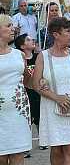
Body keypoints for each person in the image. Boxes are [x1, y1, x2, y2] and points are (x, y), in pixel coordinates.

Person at [32, 17, 70, 164]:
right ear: (56, 34)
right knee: (56, 150)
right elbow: (35, 84)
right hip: (52, 107)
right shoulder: (43, 56)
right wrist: (57, 98)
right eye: (68, 31)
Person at [0, 15, 35, 164]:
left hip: (19, 112)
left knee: (18, 154)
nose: (13, 29)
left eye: (12, 25)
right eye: (8, 25)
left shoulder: (19, 55)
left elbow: (28, 81)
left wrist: (41, 78)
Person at [14, 33, 48, 155]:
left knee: (39, 117)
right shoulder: (19, 59)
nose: (32, 41)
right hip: (25, 93)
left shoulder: (38, 57)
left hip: (37, 92)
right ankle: (25, 145)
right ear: (22, 46)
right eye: (28, 40)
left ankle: (42, 140)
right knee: (26, 120)